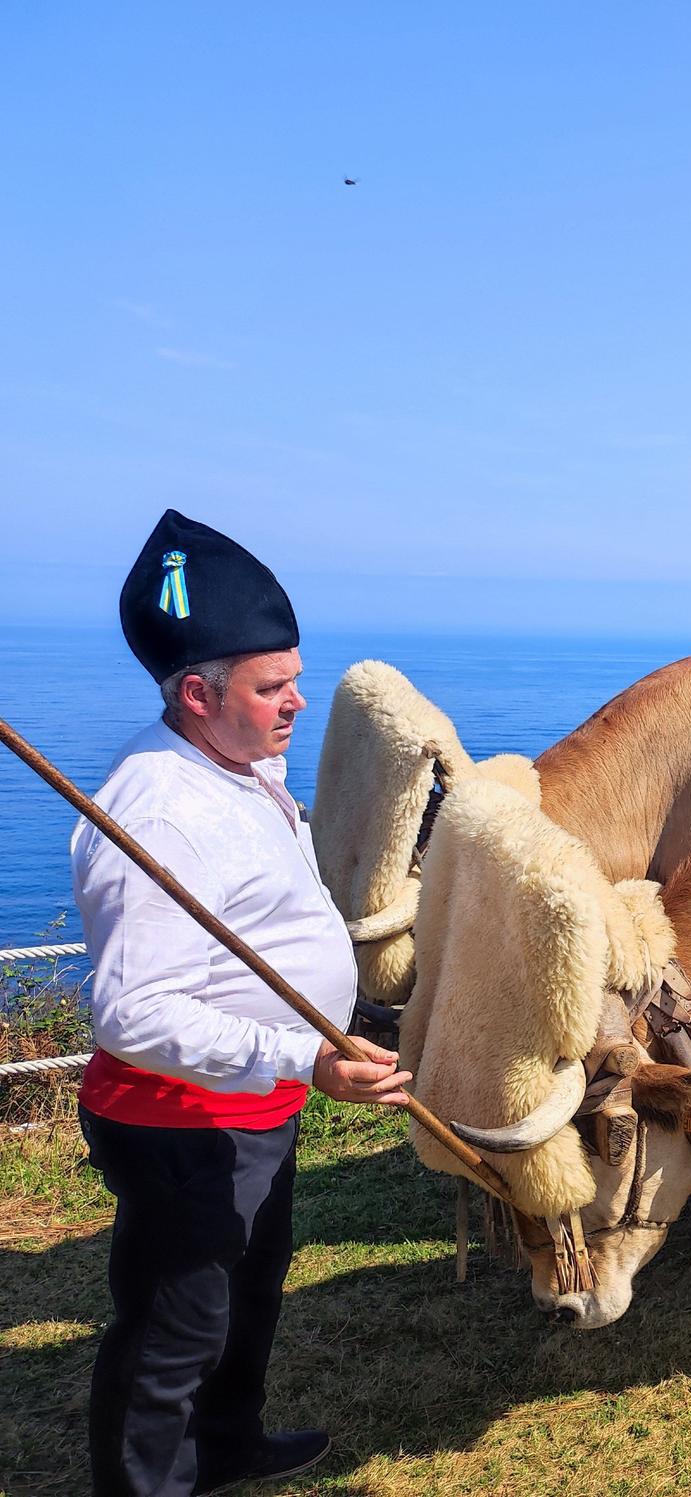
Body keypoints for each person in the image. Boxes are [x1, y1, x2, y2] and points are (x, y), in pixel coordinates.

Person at [74, 510, 411, 1496]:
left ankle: (225, 1447)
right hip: (183, 1122)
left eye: (294, 677)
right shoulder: (160, 813)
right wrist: (306, 1056)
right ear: (195, 691)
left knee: (245, 1297)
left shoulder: (240, 762)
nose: (298, 703)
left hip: (251, 1107)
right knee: (173, 1334)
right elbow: (130, 1014)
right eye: (273, 687)